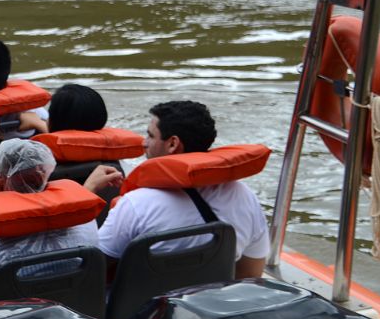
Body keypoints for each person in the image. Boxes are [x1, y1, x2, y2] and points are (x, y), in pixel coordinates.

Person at [96, 100, 269, 278]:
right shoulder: (244, 196)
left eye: (150, 136)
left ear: (172, 144)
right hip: (209, 303)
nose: (144, 143)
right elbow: (250, 273)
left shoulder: (136, 204)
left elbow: (92, 269)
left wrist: (87, 192)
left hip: (144, 305)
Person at [0, 140, 100, 287]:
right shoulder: (86, 223)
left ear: (0, 179)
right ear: (43, 176)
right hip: (75, 308)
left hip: (6, 309)